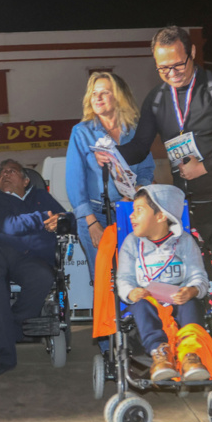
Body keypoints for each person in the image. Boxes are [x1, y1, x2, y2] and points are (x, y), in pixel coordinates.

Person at [103, 26, 212, 392]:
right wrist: (111, 155)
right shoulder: (158, 100)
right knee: (193, 282)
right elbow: (141, 146)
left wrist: (205, 166)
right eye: (162, 69)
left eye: (178, 65)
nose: (172, 74)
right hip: (188, 208)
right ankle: (196, 354)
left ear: (191, 55)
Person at [0, 159, 67, 376]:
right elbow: (10, 225)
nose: (5, 174)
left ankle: (1, 326)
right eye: (1, 172)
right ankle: (5, 356)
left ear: (26, 180)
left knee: (43, 277)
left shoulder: (42, 197)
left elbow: (66, 217)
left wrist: (61, 220)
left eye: (11, 171)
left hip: (27, 256)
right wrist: (44, 218)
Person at [66, 72, 155, 281]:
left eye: (104, 92)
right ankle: (107, 316)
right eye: (94, 93)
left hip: (129, 211)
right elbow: (74, 182)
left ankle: (131, 315)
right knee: (104, 279)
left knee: (134, 277)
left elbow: (146, 170)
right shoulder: (81, 132)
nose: (96, 98)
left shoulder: (134, 131)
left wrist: (134, 195)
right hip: (95, 213)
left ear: (118, 97)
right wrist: (90, 223)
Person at [117, 185, 211, 382]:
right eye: (133, 211)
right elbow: (124, 278)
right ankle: (160, 353)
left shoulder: (185, 242)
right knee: (140, 305)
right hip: (148, 303)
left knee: (191, 303)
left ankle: (190, 356)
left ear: (161, 216)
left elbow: (199, 276)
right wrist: (131, 292)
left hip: (178, 301)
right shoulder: (131, 243)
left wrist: (192, 290)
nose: (131, 216)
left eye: (139, 210)